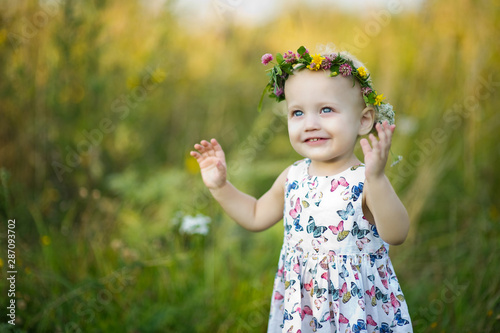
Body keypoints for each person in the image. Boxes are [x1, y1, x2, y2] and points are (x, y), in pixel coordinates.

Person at [190, 46, 412, 332]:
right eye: (297, 112)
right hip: (304, 308)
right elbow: (256, 215)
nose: (310, 124)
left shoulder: (365, 180)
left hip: (357, 308)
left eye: (326, 110)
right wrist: (220, 187)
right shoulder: (294, 175)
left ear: (364, 120)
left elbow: (397, 234)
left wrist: (378, 178)